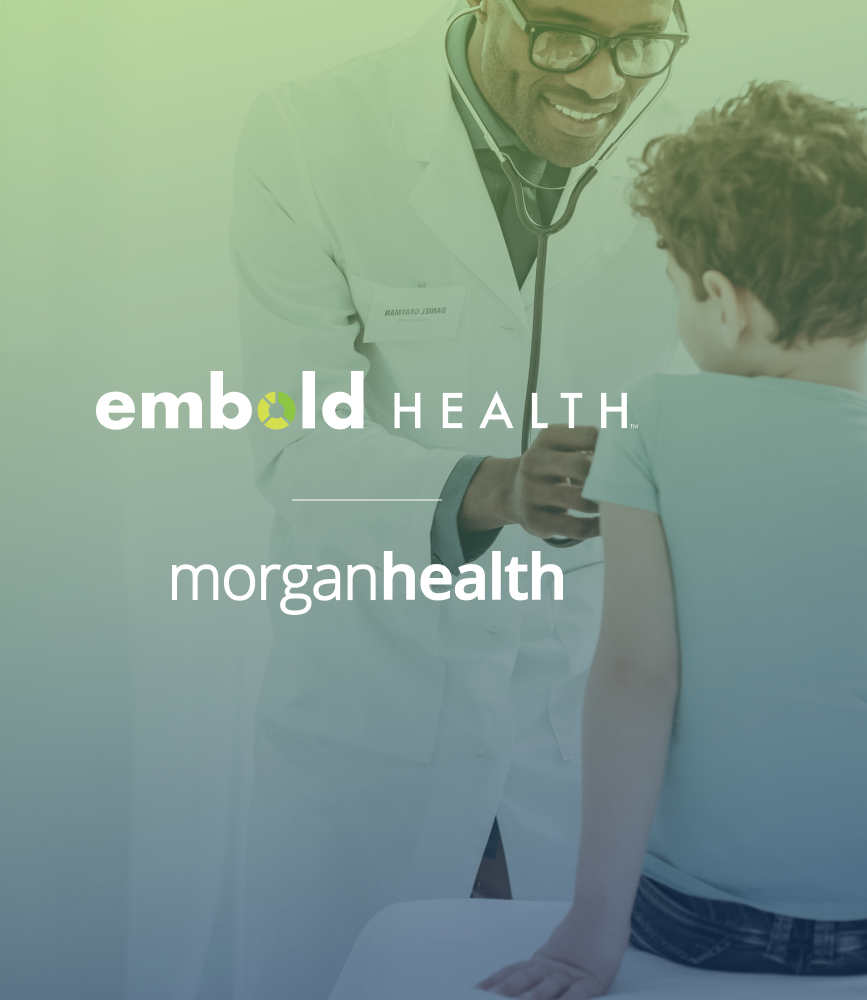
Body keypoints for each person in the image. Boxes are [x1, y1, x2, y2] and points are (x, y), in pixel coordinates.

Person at [230, 1, 689, 996]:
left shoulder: (687, 156)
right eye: (563, 33)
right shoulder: (312, 136)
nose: (602, 80)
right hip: (373, 705)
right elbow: (290, 437)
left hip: (578, 713)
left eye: (640, 41)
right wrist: (497, 486)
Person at [478, 81, 867, 999]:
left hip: (695, 922)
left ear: (725, 302)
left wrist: (589, 931)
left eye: (675, 289)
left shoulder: (652, 422)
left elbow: (636, 676)